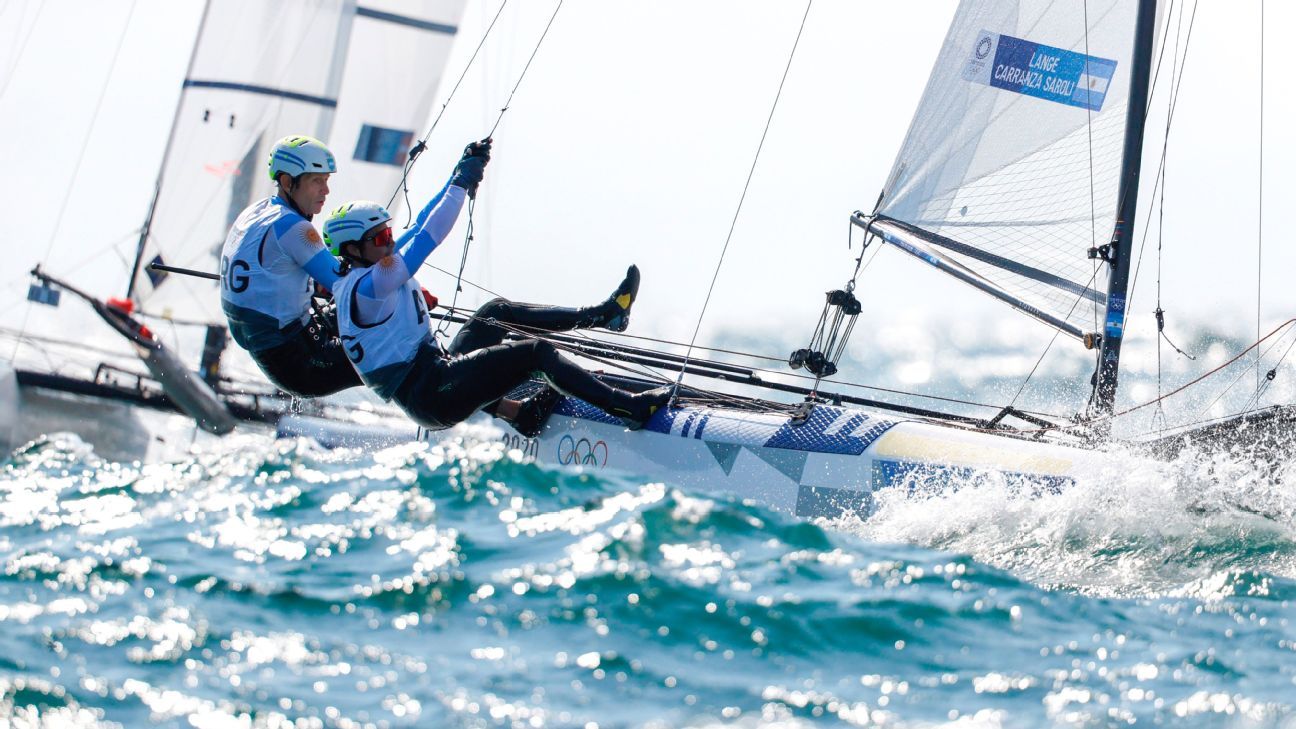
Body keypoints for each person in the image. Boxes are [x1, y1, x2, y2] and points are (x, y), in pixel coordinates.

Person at [325, 139, 672, 430]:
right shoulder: (370, 286)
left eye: (388, 232)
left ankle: (603, 315)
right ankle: (628, 408)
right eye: (380, 238)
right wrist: (461, 182)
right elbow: (429, 236)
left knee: (496, 312)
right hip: (431, 395)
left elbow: (418, 225)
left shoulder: (370, 269)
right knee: (535, 353)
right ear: (353, 250)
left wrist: (457, 176)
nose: (389, 241)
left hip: (433, 376)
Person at [219, 134, 360, 397]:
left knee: (362, 317)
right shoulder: (294, 227)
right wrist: (407, 289)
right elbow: (352, 288)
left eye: (327, 180)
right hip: (298, 361)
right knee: (390, 352)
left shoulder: (254, 212)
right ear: (287, 182)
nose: (326, 191)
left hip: (269, 345)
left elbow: (272, 270)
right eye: (316, 181)